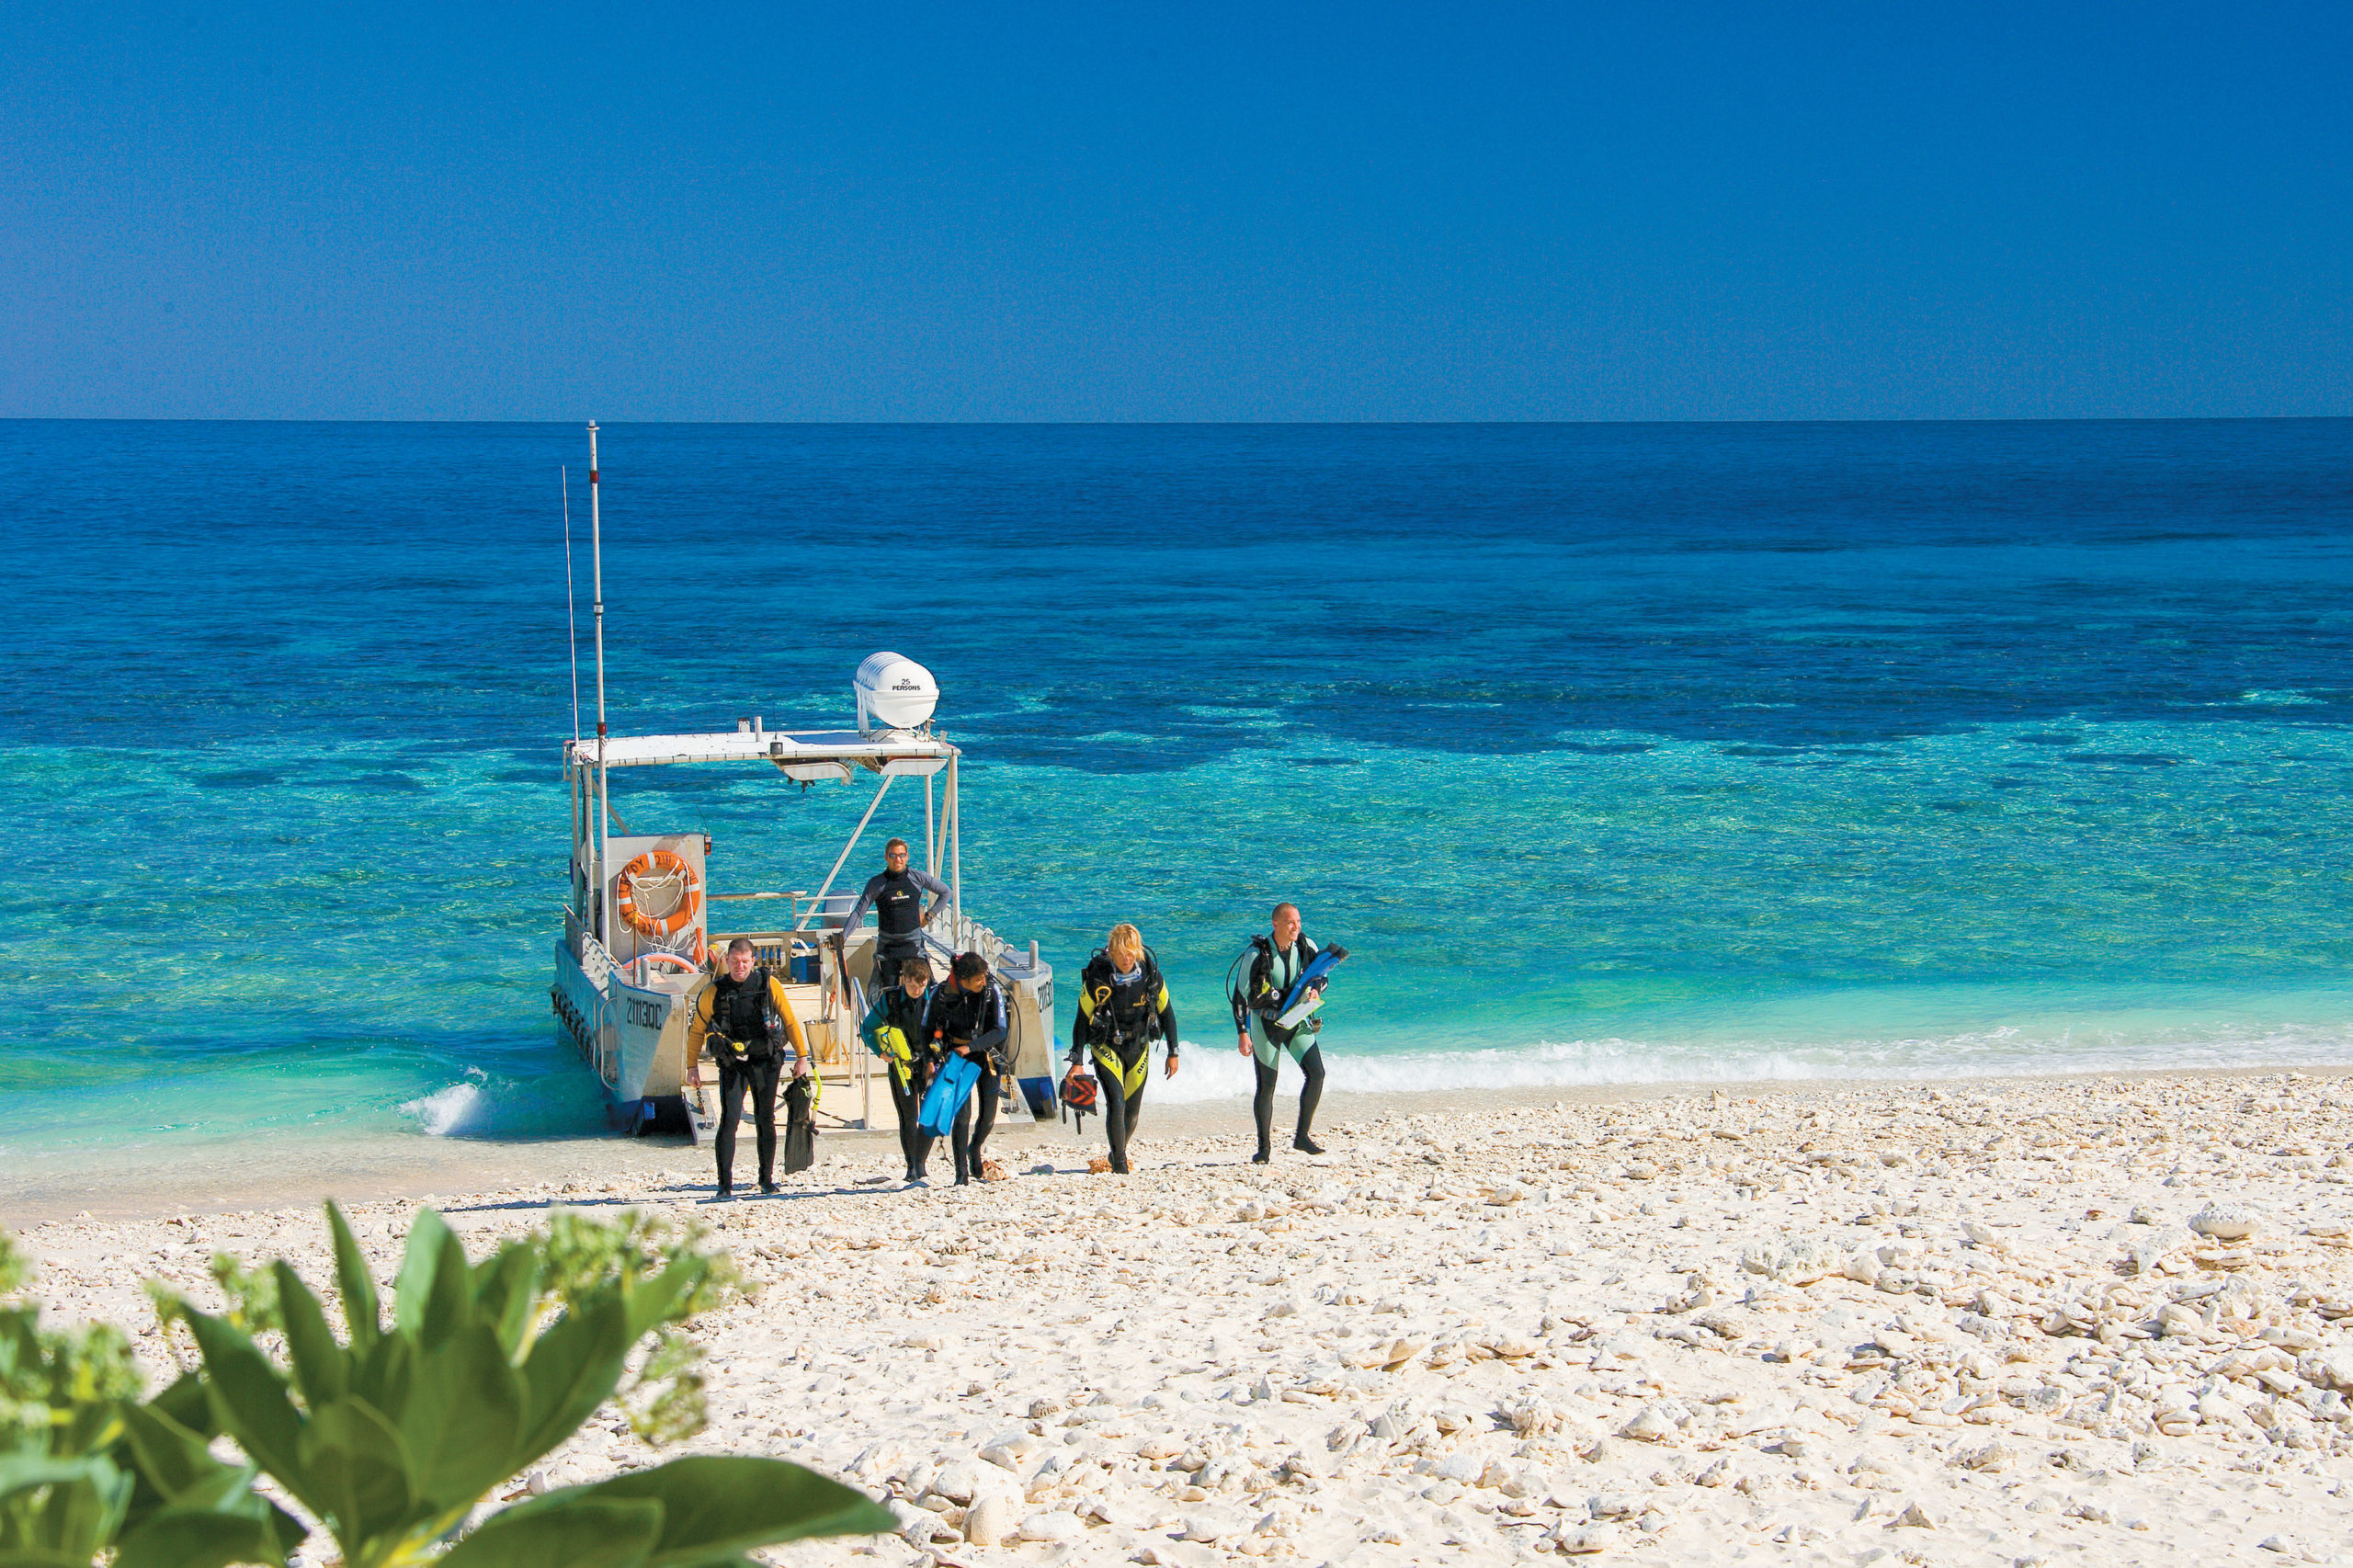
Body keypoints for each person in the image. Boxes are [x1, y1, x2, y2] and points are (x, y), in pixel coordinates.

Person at [687, 937, 810, 1198]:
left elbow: (789, 1021)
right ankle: (724, 1184)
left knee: (765, 1118)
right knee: (729, 1120)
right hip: (732, 1063)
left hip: (765, 1061)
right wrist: (691, 1067)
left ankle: (766, 1180)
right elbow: (697, 1030)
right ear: (727, 962)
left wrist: (802, 1057)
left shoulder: (768, 985)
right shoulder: (714, 991)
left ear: (753, 961)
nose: (739, 967)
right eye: (734, 962)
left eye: (744, 962)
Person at [1069, 923, 1179, 1175]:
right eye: (1121, 954)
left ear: (1138, 951)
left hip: (1139, 1047)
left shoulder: (1151, 976)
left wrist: (1174, 1052)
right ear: (1112, 953)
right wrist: (1077, 1059)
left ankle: (1116, 1150)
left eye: (1131, 953)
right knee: (1116, 1104)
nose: (1126, 959)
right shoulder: (1098, 980)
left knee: (1132, 1113)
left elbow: (1167, 1014)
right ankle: (1120, 1163)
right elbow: (1081, 1020)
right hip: (1106, 1046)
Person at [1230, 902, 1330, 1163]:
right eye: (1290, 923)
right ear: (1275, 924)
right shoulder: (1256, 955)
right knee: (1267, 1087)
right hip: (1265, 1025)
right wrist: (1243, 1032)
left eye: (1298, 922)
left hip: (1295, 1021)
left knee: (1317, 1073)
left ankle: (1302, 1137)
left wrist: (1317, 988)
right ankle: (1263, 1149)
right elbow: (1239, 997)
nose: (1296, 927)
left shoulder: (1306, 946)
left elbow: (1322, 975)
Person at [922, 950, 1010, 1186]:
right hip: (956, 1059)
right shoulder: (940, 994)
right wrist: (930, 1060)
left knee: (989, 1117)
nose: (984, 981)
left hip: (985, 1055)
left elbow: (1001, 1030)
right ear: (963, 980)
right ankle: (961, 1175)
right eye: (978, 979)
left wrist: (971, 1047)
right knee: (962, 1117)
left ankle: (975, 1148)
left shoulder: (991, 992)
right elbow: (926, 1030)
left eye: (984, 977)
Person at [860, 955, 940, 1184]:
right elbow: (867, 1028)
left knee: (930, 1116)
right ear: (903, 979)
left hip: (929, 1064)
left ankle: (920, 1163)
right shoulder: (891, 1000)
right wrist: (881, 1052)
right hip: (901, 1066)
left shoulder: (934, 999)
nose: (916, 990)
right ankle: (912, 1167)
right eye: (912, 985)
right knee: (908, 1117)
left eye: (921, 986)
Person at [838, 838, 950, 992]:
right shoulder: (876, 883)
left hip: (913, 944)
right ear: (886, 857)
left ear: (907, 857)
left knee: (921, 990)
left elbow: (946, 892)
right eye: (893, 855)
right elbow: (859, 912)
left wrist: (929, 915)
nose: (898, 859)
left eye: (901, 855)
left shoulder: (917, 877)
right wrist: (843, 936)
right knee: (888, 993)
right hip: (888, 947)